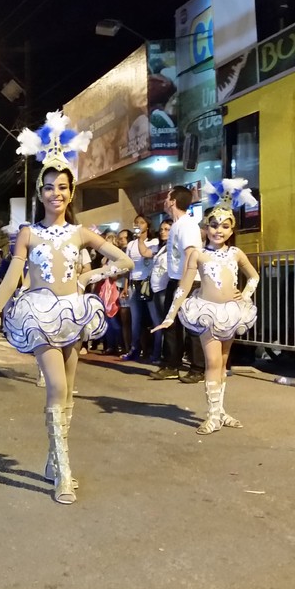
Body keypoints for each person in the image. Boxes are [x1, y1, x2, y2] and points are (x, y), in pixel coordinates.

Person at [0, 111, 133, 505]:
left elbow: (124, 262)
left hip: (74, 312)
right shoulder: (28, 234)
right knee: (56, 386)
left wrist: (88, 279)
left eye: (62, 187)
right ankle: (65, 473)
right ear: (39, 192)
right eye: (49, 187)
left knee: (68, 392)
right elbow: (9, 281)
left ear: (71, 193)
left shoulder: (80, 232)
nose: (56, 193)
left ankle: (53, 459)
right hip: (39, 314)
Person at [155, 179, 259, 434]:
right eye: (213, 225)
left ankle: (221, 411)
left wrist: (244, 296)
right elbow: (183, 286)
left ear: (232, 229)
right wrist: (170, 316)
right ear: (206, 227)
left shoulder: (236, 253)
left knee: (222, 364)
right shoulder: (198, 254)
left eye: (224, 226)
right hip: (207, 312)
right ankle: (212, 415)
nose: (218, 231)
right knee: (212, 363)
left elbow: (254, 276)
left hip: (232, 313)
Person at [157, 185, 206, 383]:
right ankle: (171, 364)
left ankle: (198, 368)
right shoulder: (177, 225)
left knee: (192, 325)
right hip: (175, 278)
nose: (165, 200)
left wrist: (183, 282)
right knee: (171, 324)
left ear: (173, 201)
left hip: (188, 281)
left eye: (167, 197)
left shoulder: (187, 225)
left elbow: (190, 254)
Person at [122, 215, 160, 361]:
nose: (138, 225)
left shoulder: (154, 242)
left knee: (155, 319)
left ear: (148, 226)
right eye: (136, 222)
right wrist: (125, 286)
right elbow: (128, 266)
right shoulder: (131, 244)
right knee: (135, 320)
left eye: (142, 222)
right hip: (134, 283)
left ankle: (156, 352)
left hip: (148, 283)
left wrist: (141, 240)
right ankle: (134, 349)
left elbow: (149, 257)